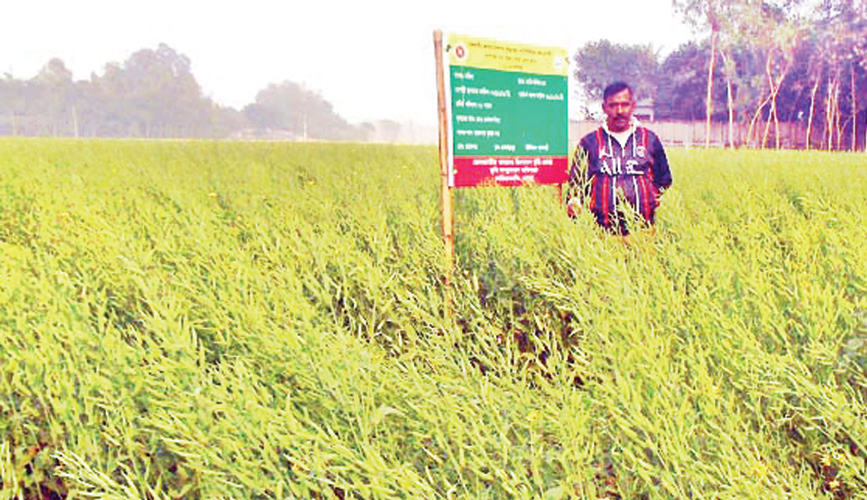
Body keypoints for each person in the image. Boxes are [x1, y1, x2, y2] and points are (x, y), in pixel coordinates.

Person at [567, 81, 672, 235]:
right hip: (602, 235)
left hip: (644, 233)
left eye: (625, 104)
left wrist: (647, 200)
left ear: (633, 106)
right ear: (604, 107)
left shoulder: (649, 139)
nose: (620, 110)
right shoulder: (589, 143)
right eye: (613, 105)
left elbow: (664, 180)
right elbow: (576, 186)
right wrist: (575, 203)